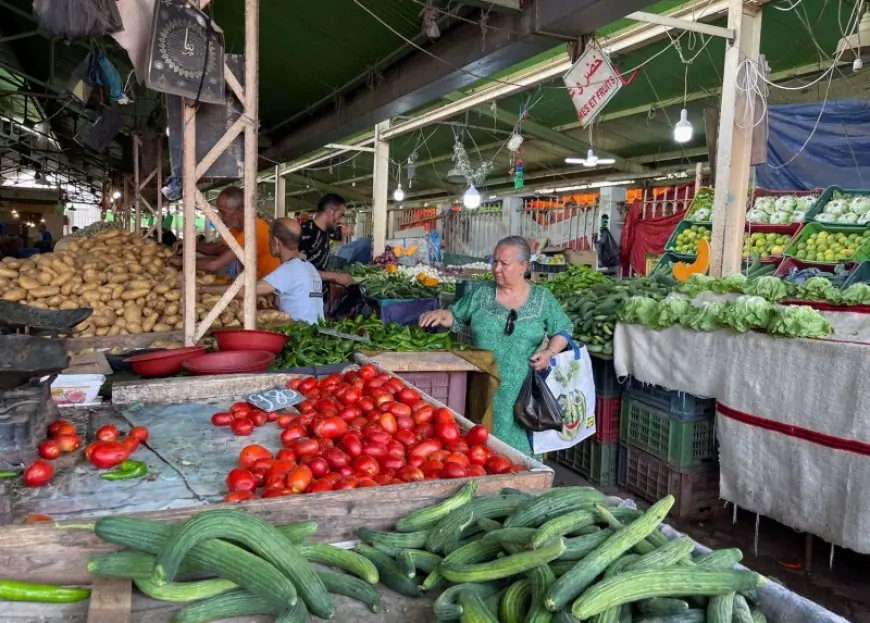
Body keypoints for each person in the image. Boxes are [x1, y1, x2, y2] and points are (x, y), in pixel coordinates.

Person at [419, 236, 572, 455]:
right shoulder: (481, 294)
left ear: (523, 266)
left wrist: (550, 351)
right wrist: (441, 315)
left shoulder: (542, 298)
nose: (497, 268)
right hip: (482, 386)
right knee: (481, 449)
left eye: (504, 264)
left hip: (523, 392)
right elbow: (456, 316)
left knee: (520, 455)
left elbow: (563, 329)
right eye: (494, 262)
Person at [199, 218, 324, 324]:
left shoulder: (289, 270)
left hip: (300, 336)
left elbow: (245, 292)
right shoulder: (308, 267)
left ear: (275, 241)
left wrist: (202, 289)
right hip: (314, 333)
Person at [167, 187, 280, 280]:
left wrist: (182, 261)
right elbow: (217, 249)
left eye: (223, 212)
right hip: (253, 286)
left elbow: (214, 264)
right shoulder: (237, 230)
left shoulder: (254, 231)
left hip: (269, 291)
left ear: (240, 210)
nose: (221, 217)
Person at [300, 193, 354, 288]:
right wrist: (334, 276)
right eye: (341, 215)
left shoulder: (327, 231)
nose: (341, 221)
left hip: (321, 297)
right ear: (330, 212)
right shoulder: (305, 232)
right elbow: (299, 269)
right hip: (305, 298)